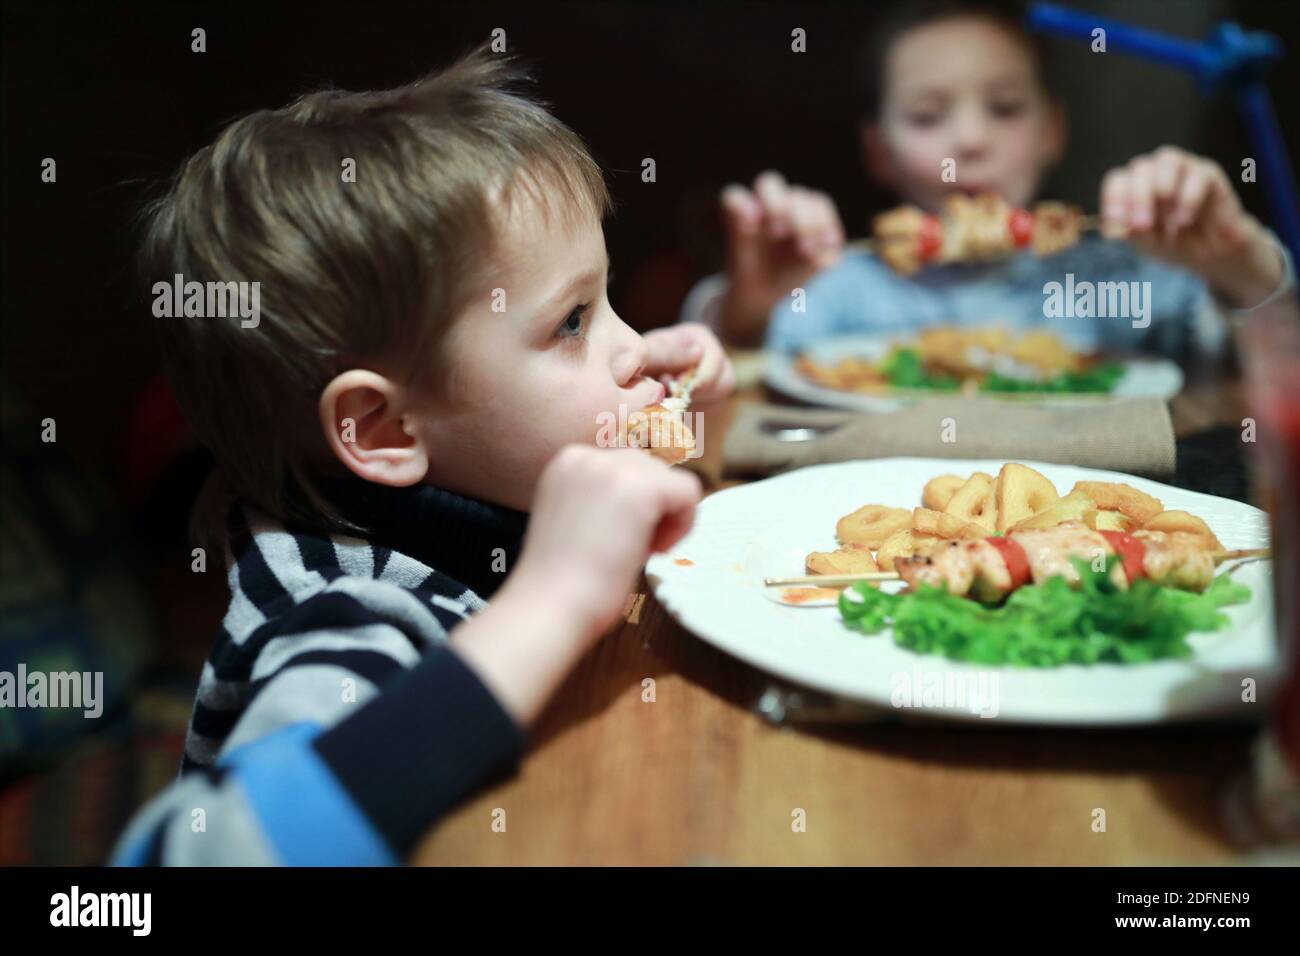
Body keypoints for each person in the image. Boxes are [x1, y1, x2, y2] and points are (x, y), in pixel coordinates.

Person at [111, 47, 734, 865]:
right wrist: (555, 595)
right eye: (572, 322)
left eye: (606, 296)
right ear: (383, 432)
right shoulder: (337, 609)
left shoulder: (454, 471)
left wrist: (684, 414)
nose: (631, 347)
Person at [681, 0, 1292, 356]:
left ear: (1053, 130)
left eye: (1004, 108)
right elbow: (713, 363)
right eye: (927, 115)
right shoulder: (839, 285)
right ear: (878, 152)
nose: (970, 141)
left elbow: (1262, 358)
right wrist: (743, 312)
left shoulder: (1123, 271)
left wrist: (1238, 262)